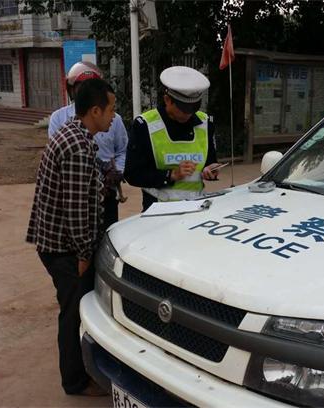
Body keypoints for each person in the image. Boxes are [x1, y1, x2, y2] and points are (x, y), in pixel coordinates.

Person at [26, 78, 115, 397]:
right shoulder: (77, 146)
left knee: (73, 308)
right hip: (64, 248)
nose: (113, 117)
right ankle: (75, 381)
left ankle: (78, 374)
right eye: (111, 109)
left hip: (57, 243)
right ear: (95, 111)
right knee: (73, 312)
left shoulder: (73, 134)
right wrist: (84, 254)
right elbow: (77, 210)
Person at [124, 66, 221, 211]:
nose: (189, 114)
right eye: (184, 109)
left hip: (197, 209)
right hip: (159, 212)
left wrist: (210, 169)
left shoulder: (205, 123)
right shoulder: (144, 126)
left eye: (193, 109)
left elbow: (210, 161)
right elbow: (132, 174)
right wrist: (171, 174)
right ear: (167, 100)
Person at [49, 61, 128, 230]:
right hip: (76, 194)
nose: (86, 92)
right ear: (71, 90)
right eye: (81, 88)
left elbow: (122, 150)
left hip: (108, 191)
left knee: (108, 235)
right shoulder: (59, 119)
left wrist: (117, 172)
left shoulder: (114, 119)